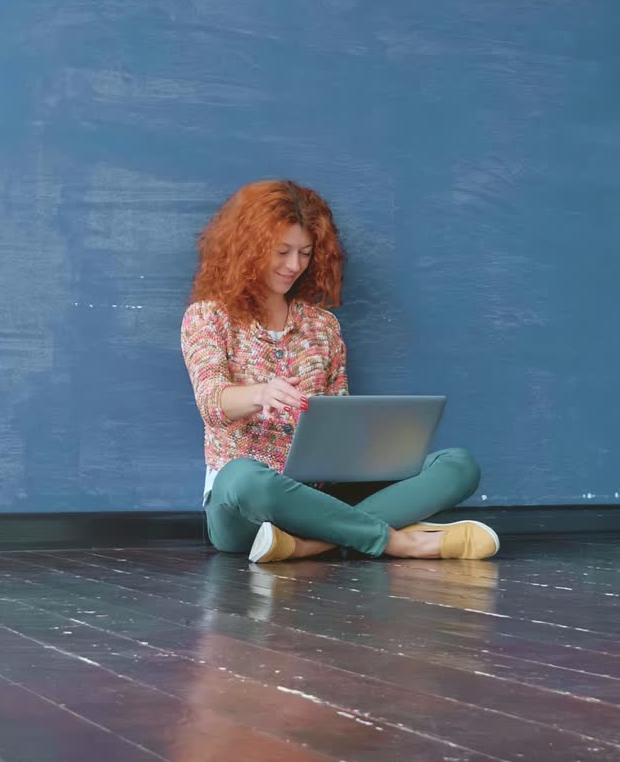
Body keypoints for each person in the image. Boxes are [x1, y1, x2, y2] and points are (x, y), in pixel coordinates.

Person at [181, 179, 499, 565]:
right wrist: (259, 394)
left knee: (457, 466)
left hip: (324, 493)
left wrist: (374, 445)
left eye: (304, 253)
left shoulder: (323, 327)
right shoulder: (209, 316)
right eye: (282, 252)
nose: (294, 266)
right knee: (242, 478)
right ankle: (399, 541)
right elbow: (211, 400)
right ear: (247, 248)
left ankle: (308, 544)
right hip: (250, 504)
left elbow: (340, 424)